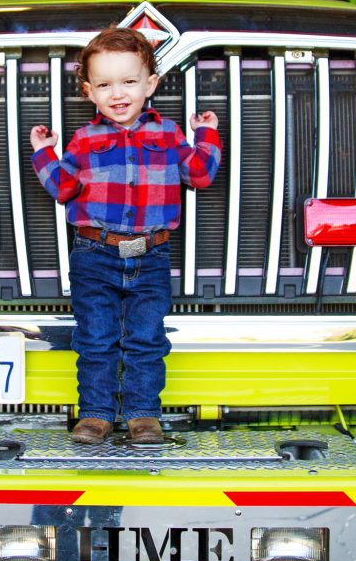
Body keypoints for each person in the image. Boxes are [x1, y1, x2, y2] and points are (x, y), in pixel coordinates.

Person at [30, 26, 221, 445]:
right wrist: (45, 152)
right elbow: (63, 188)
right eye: (104, 84)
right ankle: (96, 415)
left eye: (129, 81)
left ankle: (143, 416)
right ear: (89, 91)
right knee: (95, 339)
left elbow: (201, 174)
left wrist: (206, 133)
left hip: (151, 255)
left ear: (150, 84)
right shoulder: (83, 140)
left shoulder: (169, 135)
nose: (118, 94)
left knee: (146, 339)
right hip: (94, 253)